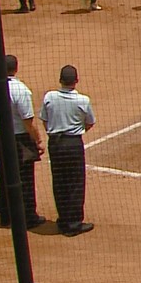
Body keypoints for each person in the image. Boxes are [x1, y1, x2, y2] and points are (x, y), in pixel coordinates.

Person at [0, 54, 44, 229]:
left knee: (3, 174)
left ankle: (6, 215)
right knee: (25, 177)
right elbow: (28, 121)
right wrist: (37, 141)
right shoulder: (21, 90)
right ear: (15, 69)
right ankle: (28, 217)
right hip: (20, 140)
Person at [40, 65, 95, 237]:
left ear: (60, 80)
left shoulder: (49, 96)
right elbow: (90, 122)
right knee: (75, 182)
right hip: (72, 144)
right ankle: (73, 224)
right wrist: (77, 131)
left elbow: (44, 119)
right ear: (76, 81)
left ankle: (63, 220)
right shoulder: (82, 100)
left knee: (59, 181)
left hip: (55, 143)